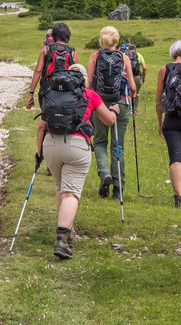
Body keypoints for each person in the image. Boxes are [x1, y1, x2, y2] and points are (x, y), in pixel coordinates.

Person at [35, 62, 120, 259]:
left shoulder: (53, 94)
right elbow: (108, 120)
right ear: (83, 79)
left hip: (50, 144)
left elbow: (41, 125)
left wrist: (39, 152)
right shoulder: (89, 94)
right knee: (71, 193)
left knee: (60, 188)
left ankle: (68, 231)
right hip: (76, 145)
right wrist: (114, 111)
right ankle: (62, 239)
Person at [88, 26, 135, 199]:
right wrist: (132, 93)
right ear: (116, 40)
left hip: (99, 104)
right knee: (118, 146)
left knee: (100, 142)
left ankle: (104, 173)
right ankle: (118, 189)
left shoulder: (95, 56)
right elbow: (133, 86)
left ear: (101, 40)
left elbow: (89, 83)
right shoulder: (124, 58)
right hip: (120, 103)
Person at [155, 40, 181, 207]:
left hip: (171, 118)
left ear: (172, 53)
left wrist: (160, 122)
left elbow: (158, 102)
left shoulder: (165, 69)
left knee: (175, 158)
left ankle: (179, 198)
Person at [25, 22, 78, 110]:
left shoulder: (46, 49)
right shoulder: (72, 53)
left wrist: (31, 93)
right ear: (68, 35)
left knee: (46, 118)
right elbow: (77, 75)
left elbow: (38, 71)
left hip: (47, 91)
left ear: (53, 35)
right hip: (66, 92)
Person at [123, 43, 146, 115]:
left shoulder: (124, 55)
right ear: (135, 49)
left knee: (128, 93)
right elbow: (144, 68)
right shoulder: (139, 55)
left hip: (127, 77)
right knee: (137, 93)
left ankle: (129, 111)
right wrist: (143, 77)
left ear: (128, 49)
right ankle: (135, 111)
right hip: (137, 77)